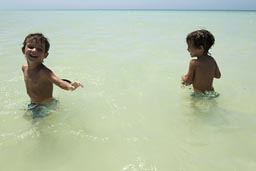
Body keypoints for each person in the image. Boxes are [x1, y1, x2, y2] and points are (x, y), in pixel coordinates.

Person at [22, 33, 83, 118]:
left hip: (45, 106)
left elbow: (58, 81)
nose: (34, 50)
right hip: (33, 103)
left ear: (45, 55)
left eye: (39, 49)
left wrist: (70, 86)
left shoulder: (44, 72)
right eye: (31, 47)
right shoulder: (24, 68)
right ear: (23, 50)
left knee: (36, 128)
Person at [181, 29, 221, 96]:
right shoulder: (212, 60)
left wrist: (183, 77)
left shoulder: (194, 63)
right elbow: (218, 75)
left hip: (198, 95)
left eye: (189, 46)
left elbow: (188, 82)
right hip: (211, 93)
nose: (187, 49)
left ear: (200, 48)